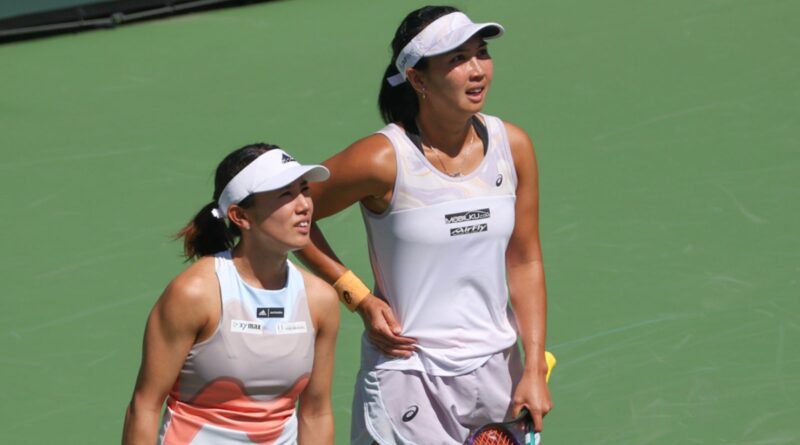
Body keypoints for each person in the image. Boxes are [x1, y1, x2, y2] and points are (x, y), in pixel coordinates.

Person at [295, 5, 552, 445]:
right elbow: (288, 215)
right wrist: (356, 296)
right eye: (457, 59)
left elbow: (525, 260)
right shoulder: (381, 159)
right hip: (407, 375)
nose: (477, 71)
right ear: (417, 79)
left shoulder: (513, 147)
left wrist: (532, 369)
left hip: (498, 372)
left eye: (481, 53)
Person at [122, 143, 339, 445]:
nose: (303, 205)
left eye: (304, 190)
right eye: (285, 194)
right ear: (240, 216)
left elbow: (315, 413)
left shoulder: (320, 300)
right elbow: (144, 407)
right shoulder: (195, 294)